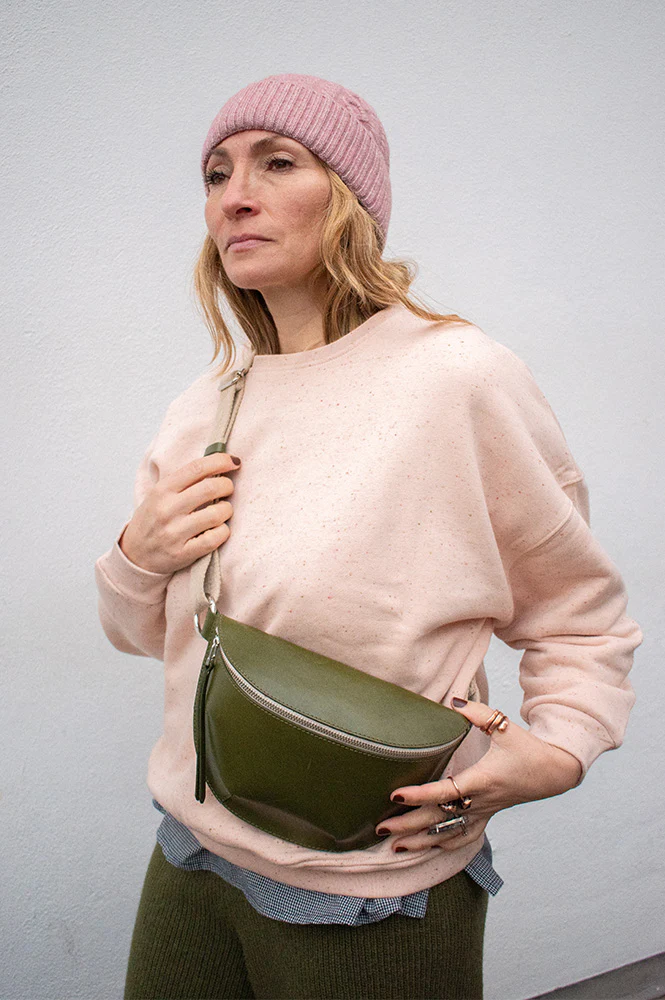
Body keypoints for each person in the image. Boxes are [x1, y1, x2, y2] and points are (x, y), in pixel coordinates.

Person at [94, 73, 643, 1000]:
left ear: (348, 198)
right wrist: (135, 558)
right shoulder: (206, 407)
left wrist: (560, 750)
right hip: (191, 845)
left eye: (278, 162)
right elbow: (155, 638)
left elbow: (578, 616)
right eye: (216, 173)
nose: (235, 196)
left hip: (372, 883)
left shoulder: (456, 379)